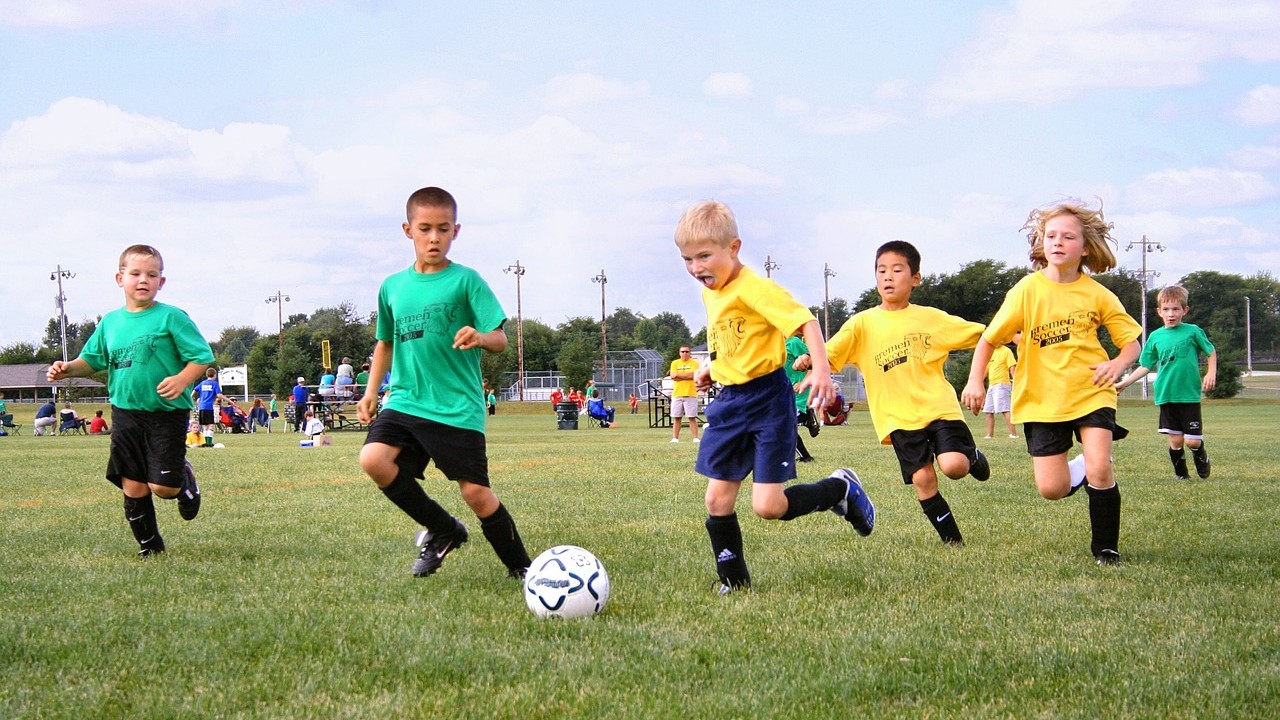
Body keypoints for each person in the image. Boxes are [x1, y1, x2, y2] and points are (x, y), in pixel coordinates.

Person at [675, 200, 874, 593]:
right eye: (687, 259)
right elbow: (734, 343)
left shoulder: (755, 288)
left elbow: (805, 322)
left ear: (733, 248)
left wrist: (821, 369)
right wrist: (709, 369)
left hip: (767, 402)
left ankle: (840, 489)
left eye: (704, 256)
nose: (696, 267)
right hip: (730, 403)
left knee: (768, 507)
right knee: (717, 500)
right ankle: (734, 583)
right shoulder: (710, 293)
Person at [355, 186, 532, 580]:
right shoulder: (392, 287)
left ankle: (521, 568)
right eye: (425, 228)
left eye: (443, 228)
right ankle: (443, 528)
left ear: (456, 231)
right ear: (408, 230)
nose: (434, 237)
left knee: (475, 493)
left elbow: (501, 340)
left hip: (456, 405)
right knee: (373, 459)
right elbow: (385, 343)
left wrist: (481, 337)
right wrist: (371, 392)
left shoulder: (466, 281)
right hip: (405, 399)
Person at [962, 201, 1142, 567]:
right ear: (1041, 242)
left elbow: (1131, 343)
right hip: (1042, 401)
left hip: (1092, 391)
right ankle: (1083, 466)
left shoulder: (1098, 294)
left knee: (1102, 468)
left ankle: (1106, 549)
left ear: (1085, 246)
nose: (1057, 242)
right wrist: (974, 382)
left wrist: (1118, 363)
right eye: (1051, 235)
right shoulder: (1026, 291)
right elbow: (988, 339)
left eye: (1068, 236)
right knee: (1052, 488)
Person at [806, 240, 989, 548]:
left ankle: (971, 456)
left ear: (915, 278)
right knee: (922, 479)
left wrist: (1017, 332)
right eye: (881, 270)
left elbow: (983, 334)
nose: (888, 276)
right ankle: (953, 542)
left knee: (954, 466)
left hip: (938, 406)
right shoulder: (862, 324)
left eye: (897, 270)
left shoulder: (932, 318)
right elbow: (829, 354)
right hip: (897, 417)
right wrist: (810, 359)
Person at [46, 244, 214, 557]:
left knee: (163, 488)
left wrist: (181, 379)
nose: (143, 279)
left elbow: (201, 358)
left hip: (166, 413)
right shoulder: (110, 322)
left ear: (161, 282)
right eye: (135, 273)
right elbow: (92, 359)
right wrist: (68, 368)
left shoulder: (171, 317)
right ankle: (150, 547)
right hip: (125, 412)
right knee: (133, 485)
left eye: (152, 274)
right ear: (119, 278)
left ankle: (184, 478)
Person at [1115, 285, 1216, 480]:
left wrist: (1211, 372)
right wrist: (1124, 383)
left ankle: (1201, 456)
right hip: (1166, 394)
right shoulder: (1155, 337)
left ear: (1184, 310)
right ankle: (1181, 475)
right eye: (1166, 310)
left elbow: (1210, 351)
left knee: (1192, 442)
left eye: (1176, 309)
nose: (1171, 314)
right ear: (1159, 312)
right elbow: (1145, 365)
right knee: (1176, 440)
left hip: (1188, 394)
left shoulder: (1192, 331)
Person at [784, 331, 818, 463]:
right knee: (784, 424)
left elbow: (813, 361)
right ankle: (806, 418)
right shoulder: (774, 346)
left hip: (798, 391)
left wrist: (804, 382)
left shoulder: (793, 342)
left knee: (785, 424)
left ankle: (806, 456)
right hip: (785, 393)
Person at [982, 332, 1021, 439]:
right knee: (988, 411)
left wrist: (1015, 381)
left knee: (1005, 409)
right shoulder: (991, 352)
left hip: (1002, 384)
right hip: (992, 385)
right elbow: (986, 368)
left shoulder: (1006, 351)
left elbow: (1012, 367)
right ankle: (989, 435)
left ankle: (1014, 434)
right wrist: (979, 381)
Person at [667, 345, 701, 443]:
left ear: (690, 353)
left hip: (691, 393)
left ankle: (695, 438)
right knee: (677, 417)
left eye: (687, 352)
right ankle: (675, 438)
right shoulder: (675, 363)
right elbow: (673, 377)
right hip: (677, 393)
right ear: (679, 353)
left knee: (692, 417)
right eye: (682, 352)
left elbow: (694, 375)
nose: (685, 353)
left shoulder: (694, 363)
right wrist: (685, 376)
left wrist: (679, 375)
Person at [194, 367, 226, 437]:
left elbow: (195, 390)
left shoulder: (202, 383)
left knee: (205, 426)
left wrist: (190, 398)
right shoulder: (214, 384)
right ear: (215, 375)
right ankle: (209, 442)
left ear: (207, 375)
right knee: (210, 425)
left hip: (201, 407)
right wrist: (229, 400)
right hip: (209, 407)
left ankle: (205, 442)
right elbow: (219, 395)